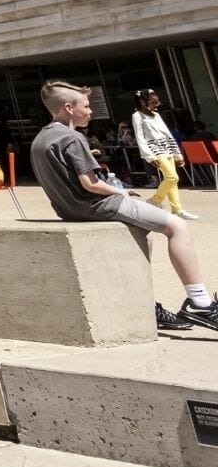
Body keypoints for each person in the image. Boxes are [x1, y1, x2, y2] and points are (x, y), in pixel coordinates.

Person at [33, 80, 216, 333]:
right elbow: (90, 183)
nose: (90, 110)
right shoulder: (72, 138)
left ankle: (145, 303)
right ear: (68, 107)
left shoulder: (42, 138)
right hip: (96, 205)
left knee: (145, 235)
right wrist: (122, 192)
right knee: (177, 226)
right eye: (85, 106)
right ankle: (200, 302)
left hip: (70, 209)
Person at [133, 89, 195, 220]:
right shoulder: (137, 116)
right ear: (143, 102)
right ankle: (155, 200)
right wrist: (149, 156)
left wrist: (177, 154)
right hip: (155, 150)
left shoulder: (156, 114)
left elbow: (167, 134)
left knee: (172, 180)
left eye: (157, 102)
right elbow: (140, 137)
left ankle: (177, 209)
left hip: (167, 148)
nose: (156, 105)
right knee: (173, 177)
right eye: (153, 102)